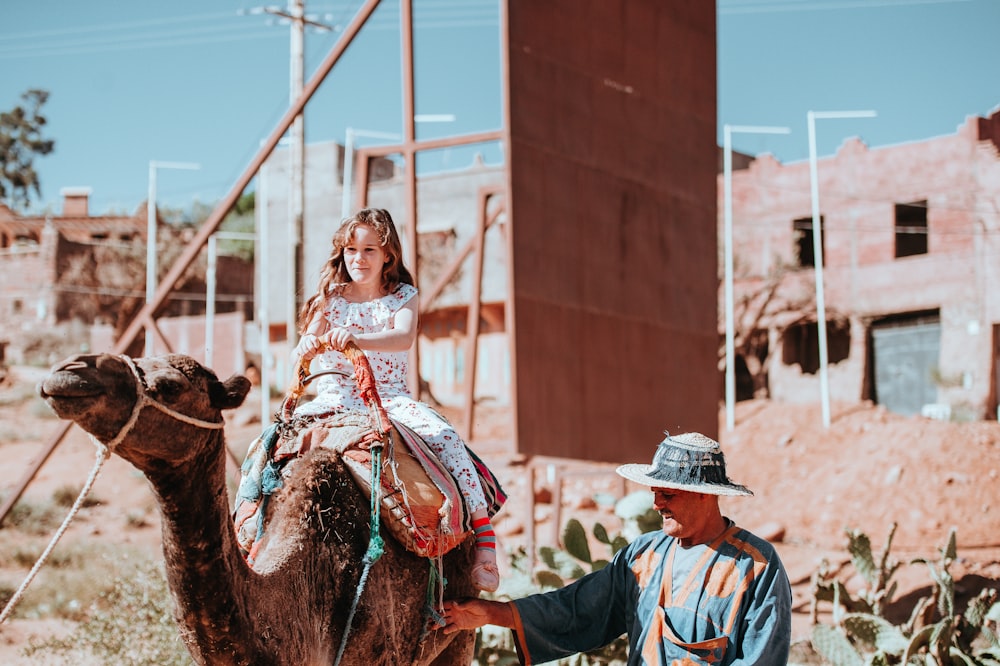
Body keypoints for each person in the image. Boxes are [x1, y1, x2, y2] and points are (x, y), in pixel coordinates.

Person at [437, 431, 792, 664]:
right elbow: (577, 609)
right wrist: (490, 614)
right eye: (654, 494)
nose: (657, 505)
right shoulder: (643, 556)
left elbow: (763, 657)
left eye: (668, 494)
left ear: (705, 494)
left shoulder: (757, 567)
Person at [292, 207, 501, 592]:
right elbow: (302, 350)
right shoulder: (329, 298)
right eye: (351, 249)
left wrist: (357, 339)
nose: (359, 258)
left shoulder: (402, 296)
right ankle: (250, 529)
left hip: (387, 399)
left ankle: (484, 539)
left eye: (370, 250)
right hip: (334, 396)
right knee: (273, 442)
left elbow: (402, 337)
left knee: (444, 437)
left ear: (388, 254)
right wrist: (306, 345)